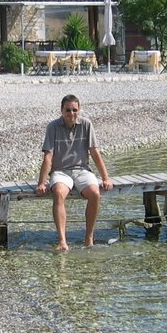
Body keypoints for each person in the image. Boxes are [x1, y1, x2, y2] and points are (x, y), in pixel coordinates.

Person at [36, 94, 114, 250]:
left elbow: (94, 152)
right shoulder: (53, 127)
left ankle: (89, 237)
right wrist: (41, 183)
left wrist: (106, 178)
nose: (71, 113)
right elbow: (48, 156)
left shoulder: (86, 124)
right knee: (58, 193)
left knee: (95, 194)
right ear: (62, 110)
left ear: (79, 110)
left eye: (74, 110)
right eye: (68, 110)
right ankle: (62, 241)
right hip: (61, 171)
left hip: (82, 170)